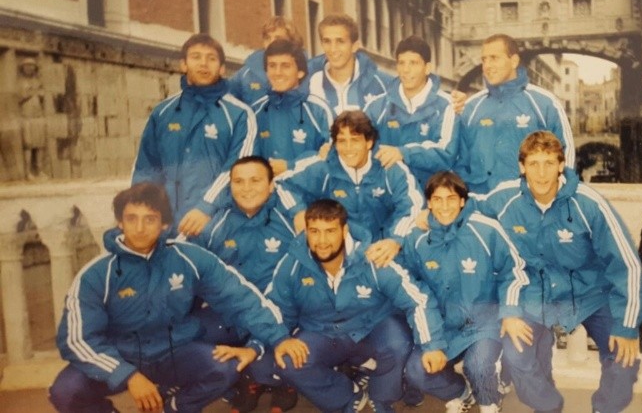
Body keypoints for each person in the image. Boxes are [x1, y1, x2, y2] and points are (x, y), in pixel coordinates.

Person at [48, 182, 308, 413]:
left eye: (150, 219)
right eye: (131, 219)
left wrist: (280, 338)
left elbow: (240, 297)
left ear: (165, 225)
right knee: (65, 391)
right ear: (119, 222)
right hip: (120, 353)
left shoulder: (188, 257)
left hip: (173, 349)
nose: (139, 228)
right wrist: (127, 375)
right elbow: (76, 338)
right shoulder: (96, 273)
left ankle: (175, 407)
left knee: (224, 369)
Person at [474, 131, 642, 413]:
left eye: (549, 163)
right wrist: (426, 217)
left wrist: (626, 325)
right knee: (516, 354)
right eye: (533, 164)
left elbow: (626, 263)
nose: (541, 173)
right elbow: (463, 205)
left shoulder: (588, 203)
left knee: (624, 360)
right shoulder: (505, 198)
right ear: (521, 167)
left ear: (561, 165)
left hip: (590, 293)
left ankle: (604, 408)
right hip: (533, 294)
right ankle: (549, 406)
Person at [255, 199, 447, 413]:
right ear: (306, 232)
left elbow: (418, 299)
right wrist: (277, 340)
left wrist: (433, 346)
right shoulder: (292, 264)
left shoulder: (372, 258)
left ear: (344, 230)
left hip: (371, 328)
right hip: (322, 331)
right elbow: (275, 308)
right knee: (288, 360)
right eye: (315, 231)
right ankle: (346, 394)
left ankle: (382, 397)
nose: (322, 240)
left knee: (397, 341)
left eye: (330, 231)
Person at [400, 171, 529, 413]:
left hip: (483, 322)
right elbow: (414, 295)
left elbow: (514, 270)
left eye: (451, 198)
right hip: (444, 326)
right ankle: (460, 392)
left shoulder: (486, 229)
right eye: (437, 200)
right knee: (417, 370)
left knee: (478, 365)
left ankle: (490, 402)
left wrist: (510, 311)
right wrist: (432, 342)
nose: (444, 206)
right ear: (429, 203)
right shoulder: (416, 238)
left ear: (462, 201)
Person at [192, 156, 299, 412]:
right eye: (238, 181)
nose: (246, 188)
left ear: (272, 185)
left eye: (255, 180)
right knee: (187, 337)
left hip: (281, 313)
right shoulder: (216, 224)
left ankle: (282, 382)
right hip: (234, 313)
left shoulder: (289, 221)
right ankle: (239, 379)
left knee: (275, 362)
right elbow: (192, 269)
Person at [132, 33, 257, 237]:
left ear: (223, 69)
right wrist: (144, 211)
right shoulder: (163, 112)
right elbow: (146, 168)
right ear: (183, 64)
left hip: (214, 227)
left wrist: (206, 207)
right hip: (166, 226)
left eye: (211, 58)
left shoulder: (239, 115)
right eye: (196, 57)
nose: (203, 64)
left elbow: (239, 170)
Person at [275, 110, 424, 266]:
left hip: (381, 249)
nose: (348, 148)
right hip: (339, 252)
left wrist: (395, 240)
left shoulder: (389, 167)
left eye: (355, 140)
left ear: (369, 142)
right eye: (341, 141)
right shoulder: (325, 166)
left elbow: (413, 205)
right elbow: (282, 183)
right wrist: (298, 211)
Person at [454, 34, 575, 194]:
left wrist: (554, 202)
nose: (487, 65)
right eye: (484, 60)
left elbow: (566, 156)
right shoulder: (471, 107)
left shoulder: (544, 103)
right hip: (482, 207)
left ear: (514, 61)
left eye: (494, 58)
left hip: (527, 207)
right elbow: (458, 160)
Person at [364, 36, 459, 188]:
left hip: (431, 193)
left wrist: (403, 153)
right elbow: (361, 145)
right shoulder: (377, 106)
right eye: (401, 63)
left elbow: (446, 153)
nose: (406, 70)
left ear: (427, 68)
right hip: (387, 192)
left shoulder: (447, 105)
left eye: (413, 63)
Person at [250, 39, 334, 176]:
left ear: (300, 72)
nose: (278, 72)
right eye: (272, 66)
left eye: (285, 66)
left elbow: (332, 156)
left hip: (307, 195)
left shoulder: (319, 110)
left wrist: (291, 166)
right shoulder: (256, 110)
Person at [307, 14, 393, 115]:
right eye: (327, 41)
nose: (333, 49)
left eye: (340, 41)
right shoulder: (310, 85)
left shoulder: (384, 84)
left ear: (354, 46)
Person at [228, 16, 307, 105]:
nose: (271, 42)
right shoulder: (247, 73)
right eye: (267, 38)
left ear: (292, 41)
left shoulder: (307, 70)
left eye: (278, 38)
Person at [17, 57, 47, 180]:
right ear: (23, 68)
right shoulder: (20, 82)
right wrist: (29, 93)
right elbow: (19, 98)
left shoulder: (37, 82)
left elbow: (42, 96)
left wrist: (39, 93)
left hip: (37, 115)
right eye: (27, 66)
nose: (29, 68)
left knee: (39, 145)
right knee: (28, 145)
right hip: (26, 116)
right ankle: (28, 172)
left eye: (32, 66)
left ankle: (39, 170)